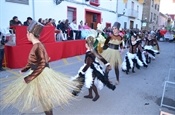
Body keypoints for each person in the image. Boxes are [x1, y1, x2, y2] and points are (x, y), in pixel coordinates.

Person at [0, 20, 78, 115]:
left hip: (39, 74)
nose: (26, 35)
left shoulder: (37, 46)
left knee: (44, 100)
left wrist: (29, 77)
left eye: (27, 33)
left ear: (31, 34)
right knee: (42, 99)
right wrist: (24, 69)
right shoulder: (37, 45)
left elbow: (41, 64)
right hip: (38, 72)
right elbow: (34, 61)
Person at [72, 35, 116, 102]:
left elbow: (88, 64)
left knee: (90, 83)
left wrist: (82, 72)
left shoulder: (90, 53)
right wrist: (107, 64)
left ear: (87, 44)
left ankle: (97, 95)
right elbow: (100, 57)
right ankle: (90, 94)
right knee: (88, 81)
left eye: (85, 43)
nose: (85, 44)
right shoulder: (93, 50)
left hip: (91, 69)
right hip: (91, 67)